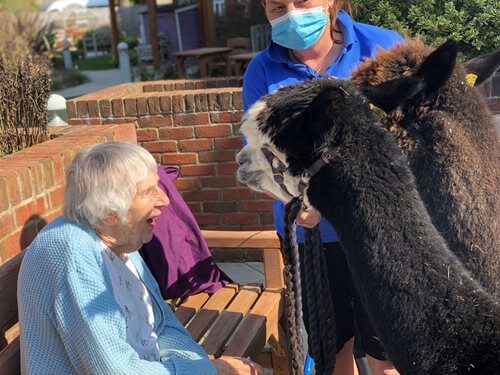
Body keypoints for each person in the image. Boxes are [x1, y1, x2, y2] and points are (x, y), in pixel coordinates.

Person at [243, 1, 404, 374]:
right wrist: (297, 199)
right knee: (331, 350)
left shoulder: (383, 47)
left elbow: (408, 138)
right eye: (277, 6)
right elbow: (258, 156)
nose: (291, 14)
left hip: (379, 233)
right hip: (313, 239)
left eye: (302, 2)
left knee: (387, 353)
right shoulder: (262, 70)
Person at [17, 142, 262, 375]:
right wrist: (213, 370)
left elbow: (162, 324)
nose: (165, 200)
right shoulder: (72, 252)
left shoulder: (122, 236)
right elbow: (115, 371)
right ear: (110, 211)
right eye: (148, 192)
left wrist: (198, 365)